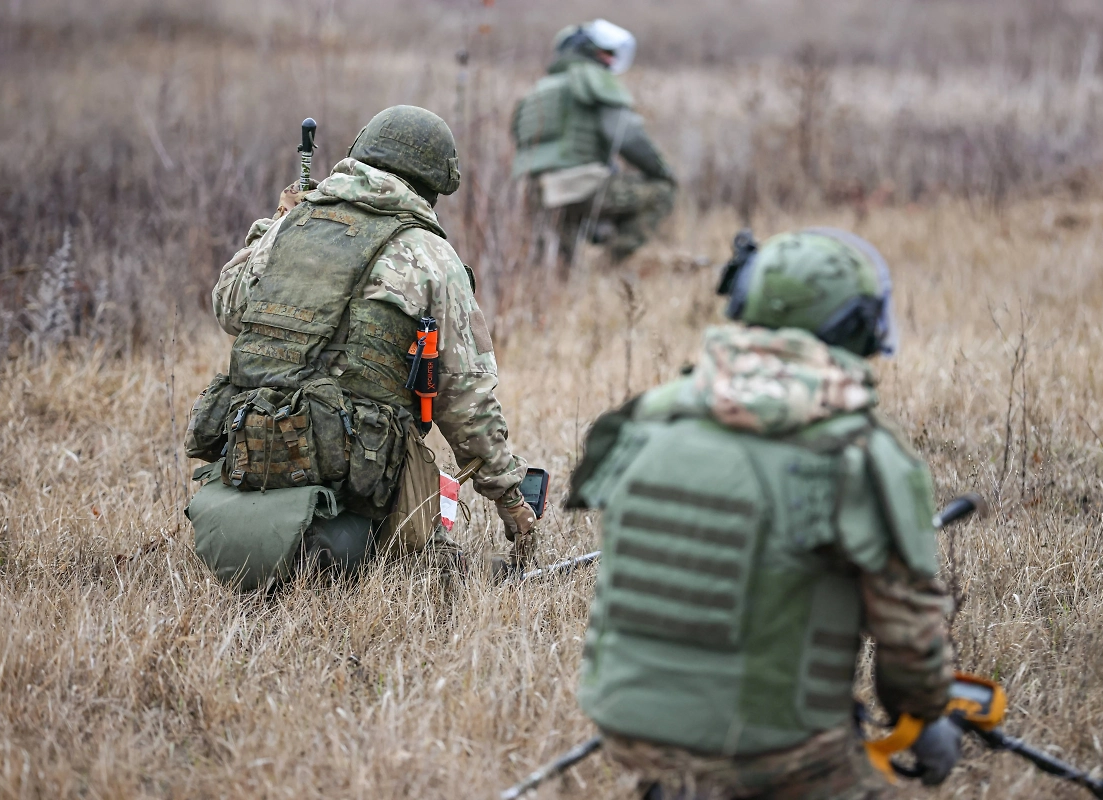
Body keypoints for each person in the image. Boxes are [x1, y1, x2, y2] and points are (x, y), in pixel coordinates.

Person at [566, 229, 959, 799]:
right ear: (853, 327)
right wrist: (925, 720)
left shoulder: (650, 418)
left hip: (627, 728)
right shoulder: (857, 450)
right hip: (773, 749)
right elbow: (909, 637)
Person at [183, 106, 536, 590]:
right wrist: (510, 498)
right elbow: (466, 399)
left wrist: (273, 226)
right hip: (357, 473)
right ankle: (412, 559)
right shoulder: (431, 256)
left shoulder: (296, 224)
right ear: (432, 183)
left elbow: (228, 305)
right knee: (427, 564)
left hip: (258, 456)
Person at [511, 19, 676, 267]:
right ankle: (606, 269)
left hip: (533, 193)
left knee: (560, 267)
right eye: (606, 52)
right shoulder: (591, 78)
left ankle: (563, 281)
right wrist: (662, 172)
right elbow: (628, 135)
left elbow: (519, 140)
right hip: (580, 189)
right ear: (585, 51)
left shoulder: (536, 90)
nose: (610, 60)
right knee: (662, 192)